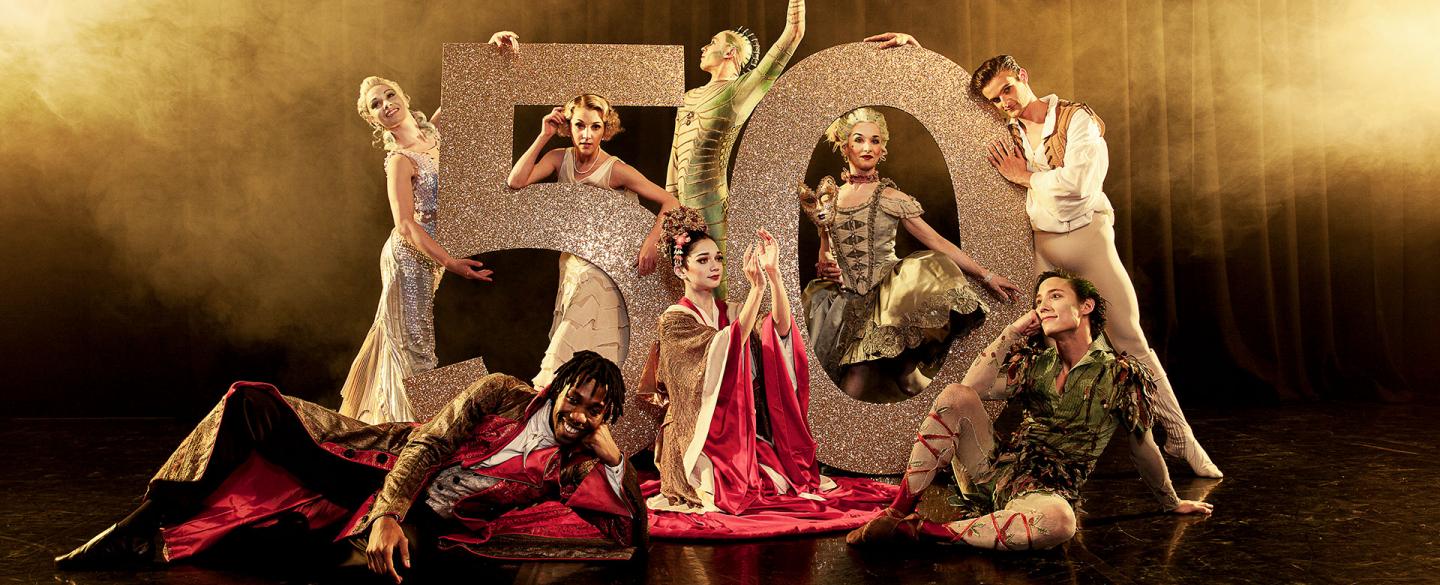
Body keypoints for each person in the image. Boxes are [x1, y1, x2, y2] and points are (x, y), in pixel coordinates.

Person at [54, 352, 648, 579]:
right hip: (375, 467)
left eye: (598, 411)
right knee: (250, 404)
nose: (581, 414)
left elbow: (627, 534)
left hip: (436, 524)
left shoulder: (573, 466)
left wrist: (616, 458)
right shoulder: (500, 392)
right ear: (560, 386)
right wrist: (387, 510)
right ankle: (138, 529)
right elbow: (427, 447)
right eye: (577, 398)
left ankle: (276, 539)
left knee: (372, 567)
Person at [972, 54, 1221, 478]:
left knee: (1130, 341)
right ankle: (1057, 456)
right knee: (1054, 354)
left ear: (1023, 76)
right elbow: (948, 99)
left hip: (1086, 239)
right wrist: (911, 43)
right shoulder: (1007, 127)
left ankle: (1181, 438)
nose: (1005, 103)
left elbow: (1081, 185)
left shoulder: (1077, 119)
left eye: (1008, 90)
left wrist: (1027, 177)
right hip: (1042, 248)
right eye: (996, 100)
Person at [846, 271, 1214, 550]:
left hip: (1045, 494)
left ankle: (919, 532)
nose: (1043, 304)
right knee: (956, 394)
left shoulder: (1120, 374)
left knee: (1060, 523)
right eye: (1039, 299)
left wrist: (1170, 501)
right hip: (995, 470)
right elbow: (970, 391)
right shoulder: (1036, 363)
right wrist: (1011, 332)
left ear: (1085, 307)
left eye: (1055, 296)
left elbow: (1143, 447)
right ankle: (897, 511)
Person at [642, 208, 893, 536]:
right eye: (702, 260)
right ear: (681, 268)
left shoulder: (730, 310)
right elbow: (724, 348)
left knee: (777, 479)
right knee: (723, 491)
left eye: (717, 258)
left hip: (737, 431)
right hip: (696, 436)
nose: (714, 266)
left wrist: (773, 276)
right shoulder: (674, 321)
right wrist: (755, 291)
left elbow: (779, 330)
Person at [800, 107, 1021, 404]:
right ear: (844, 146)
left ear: (883, 149)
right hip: (843, 302)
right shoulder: (830, 198)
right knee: (852, 385)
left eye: (875, 141)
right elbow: (826, 253)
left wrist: (986, 275)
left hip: (890, 299)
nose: (868, 147)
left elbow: (937, 242)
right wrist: (827, 265)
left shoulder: (892, 198)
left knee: (875, 378)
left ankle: (942, 402)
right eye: (859, 140)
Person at [339, 74, 494, 425]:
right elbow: (405, 225)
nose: (386, 105)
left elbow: (466, 89)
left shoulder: (433, 134)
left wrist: (492, 49)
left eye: (389, 95)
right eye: (375, 105)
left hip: (431, 256)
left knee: (402, 334)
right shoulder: (399, 160)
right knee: (414, 339)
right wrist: (450, 262)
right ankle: (412, 430)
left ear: (405, 97)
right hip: (410, 255)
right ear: (372, 120)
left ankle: (393, 419)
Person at [507, 93, 680, 389]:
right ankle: (572, 399)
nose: (587, 135)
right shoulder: (558, 158)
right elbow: (515, 182)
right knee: (580, 331)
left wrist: (652, 240)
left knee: (585, 329)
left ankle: (550, 388)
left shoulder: (614, 169)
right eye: (579, 126)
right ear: (569, 126)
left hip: (606, 266)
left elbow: (671, 202)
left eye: (595, 127)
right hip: (572, 262)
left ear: (605, 128)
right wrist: (543, 135)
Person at [668, 0, 805, 295]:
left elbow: (793, 33)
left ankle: (730, 340)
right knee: (684, 288)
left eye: (713, 42)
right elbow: (675, 156)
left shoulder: (738, 91)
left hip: (714, 207)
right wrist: (670, 208)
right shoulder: (689, 97)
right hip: (681, 211)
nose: (704, 47)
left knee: (720, 287)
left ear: (730, 52)